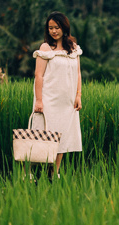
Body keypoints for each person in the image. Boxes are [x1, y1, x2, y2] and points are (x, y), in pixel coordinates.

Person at [32, 11, 82, 178]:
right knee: (47, 136)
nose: (54, 31)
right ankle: (39, 174)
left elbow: (78, 73)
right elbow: (38, 75)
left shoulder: (73, 48)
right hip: (49, 100)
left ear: (64, 27)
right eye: (51, 28)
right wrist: (39, 100)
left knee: (62, 137)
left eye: (57, 27)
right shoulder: (45, 48)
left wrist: (78, 95)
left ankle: (54, 173)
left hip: (66, 102)